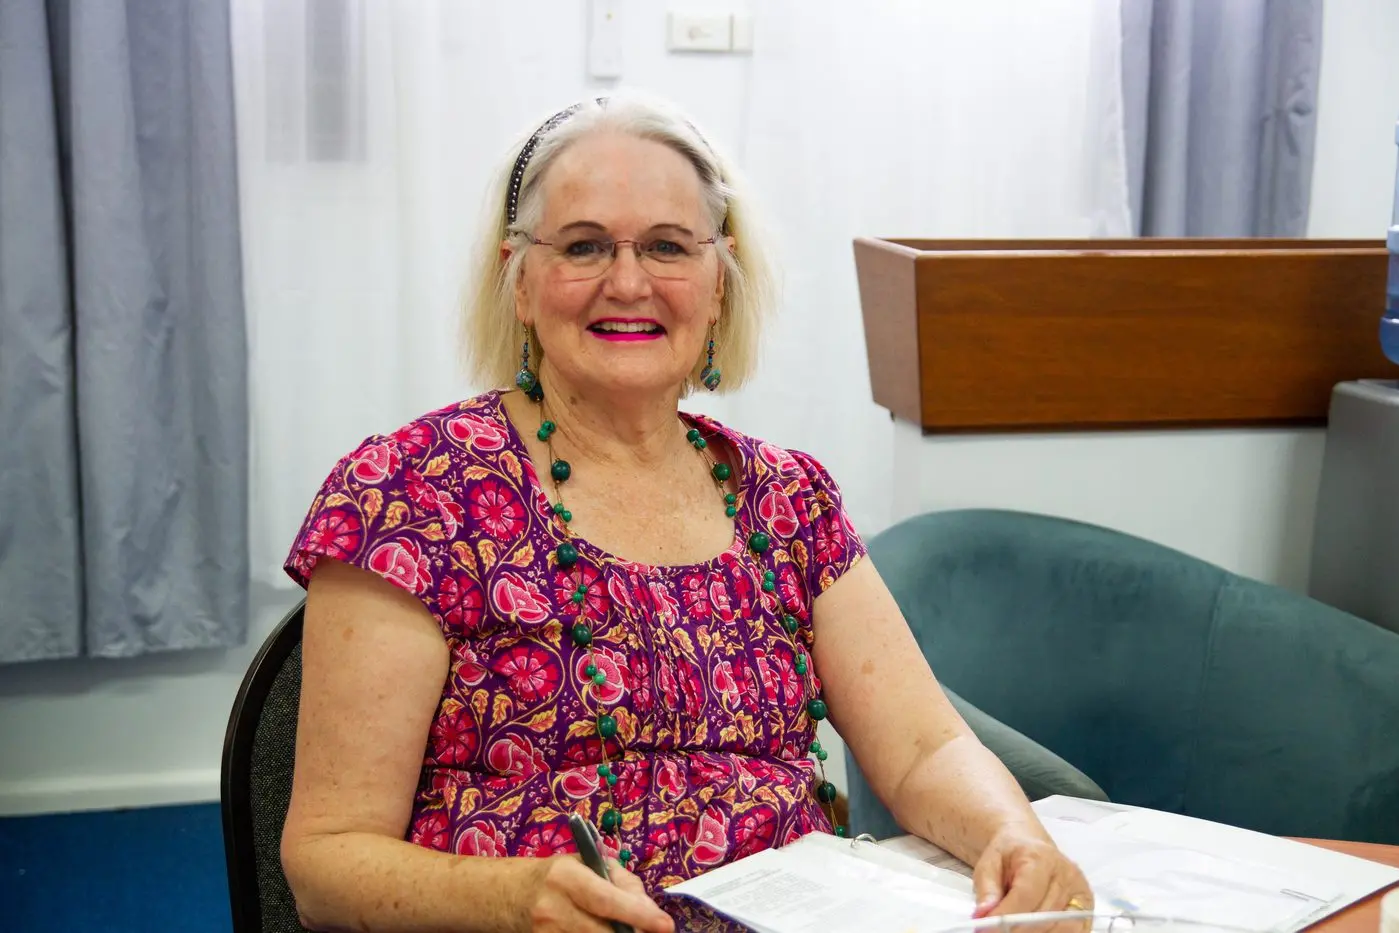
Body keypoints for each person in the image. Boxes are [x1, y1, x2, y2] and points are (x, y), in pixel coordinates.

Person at [278, 93, 1093, 933]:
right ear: (518, 281)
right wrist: (509, 899)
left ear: (717, 283)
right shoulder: (410, 493)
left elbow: (926, 749)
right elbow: (327, 860)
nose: (627, 281)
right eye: (583, 245)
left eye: (667, 247)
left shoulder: (786, 498)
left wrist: (1012, 834)